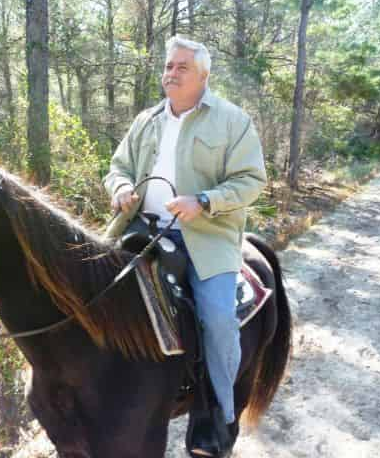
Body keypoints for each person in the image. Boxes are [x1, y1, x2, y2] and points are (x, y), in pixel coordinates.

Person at [103, 36, 267, 457]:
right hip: (139, 227)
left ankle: (218, 418)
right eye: (168, 65)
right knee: (89, 292)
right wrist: (121, 187)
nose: (170, 73)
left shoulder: (232, 120)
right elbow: (118, 166)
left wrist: (205, 202)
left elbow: (252, 181)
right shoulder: (147, 120)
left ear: (203, 76)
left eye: (181, 67)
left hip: (205, 238)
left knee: (215, 319)